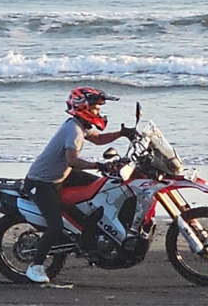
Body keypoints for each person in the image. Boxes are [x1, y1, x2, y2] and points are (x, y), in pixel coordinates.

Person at [23, 86, 136, 284]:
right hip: (43, 183)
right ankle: (35, 266)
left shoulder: (80, 125)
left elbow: (99, 139)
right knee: (55, 227)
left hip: (61, 175)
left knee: (102, 187)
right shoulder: (73, 129)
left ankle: (89, 234)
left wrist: (122, 133)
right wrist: (98, 165)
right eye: (95, 107)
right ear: (82, 106)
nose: (98, 111)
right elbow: (72, 160)